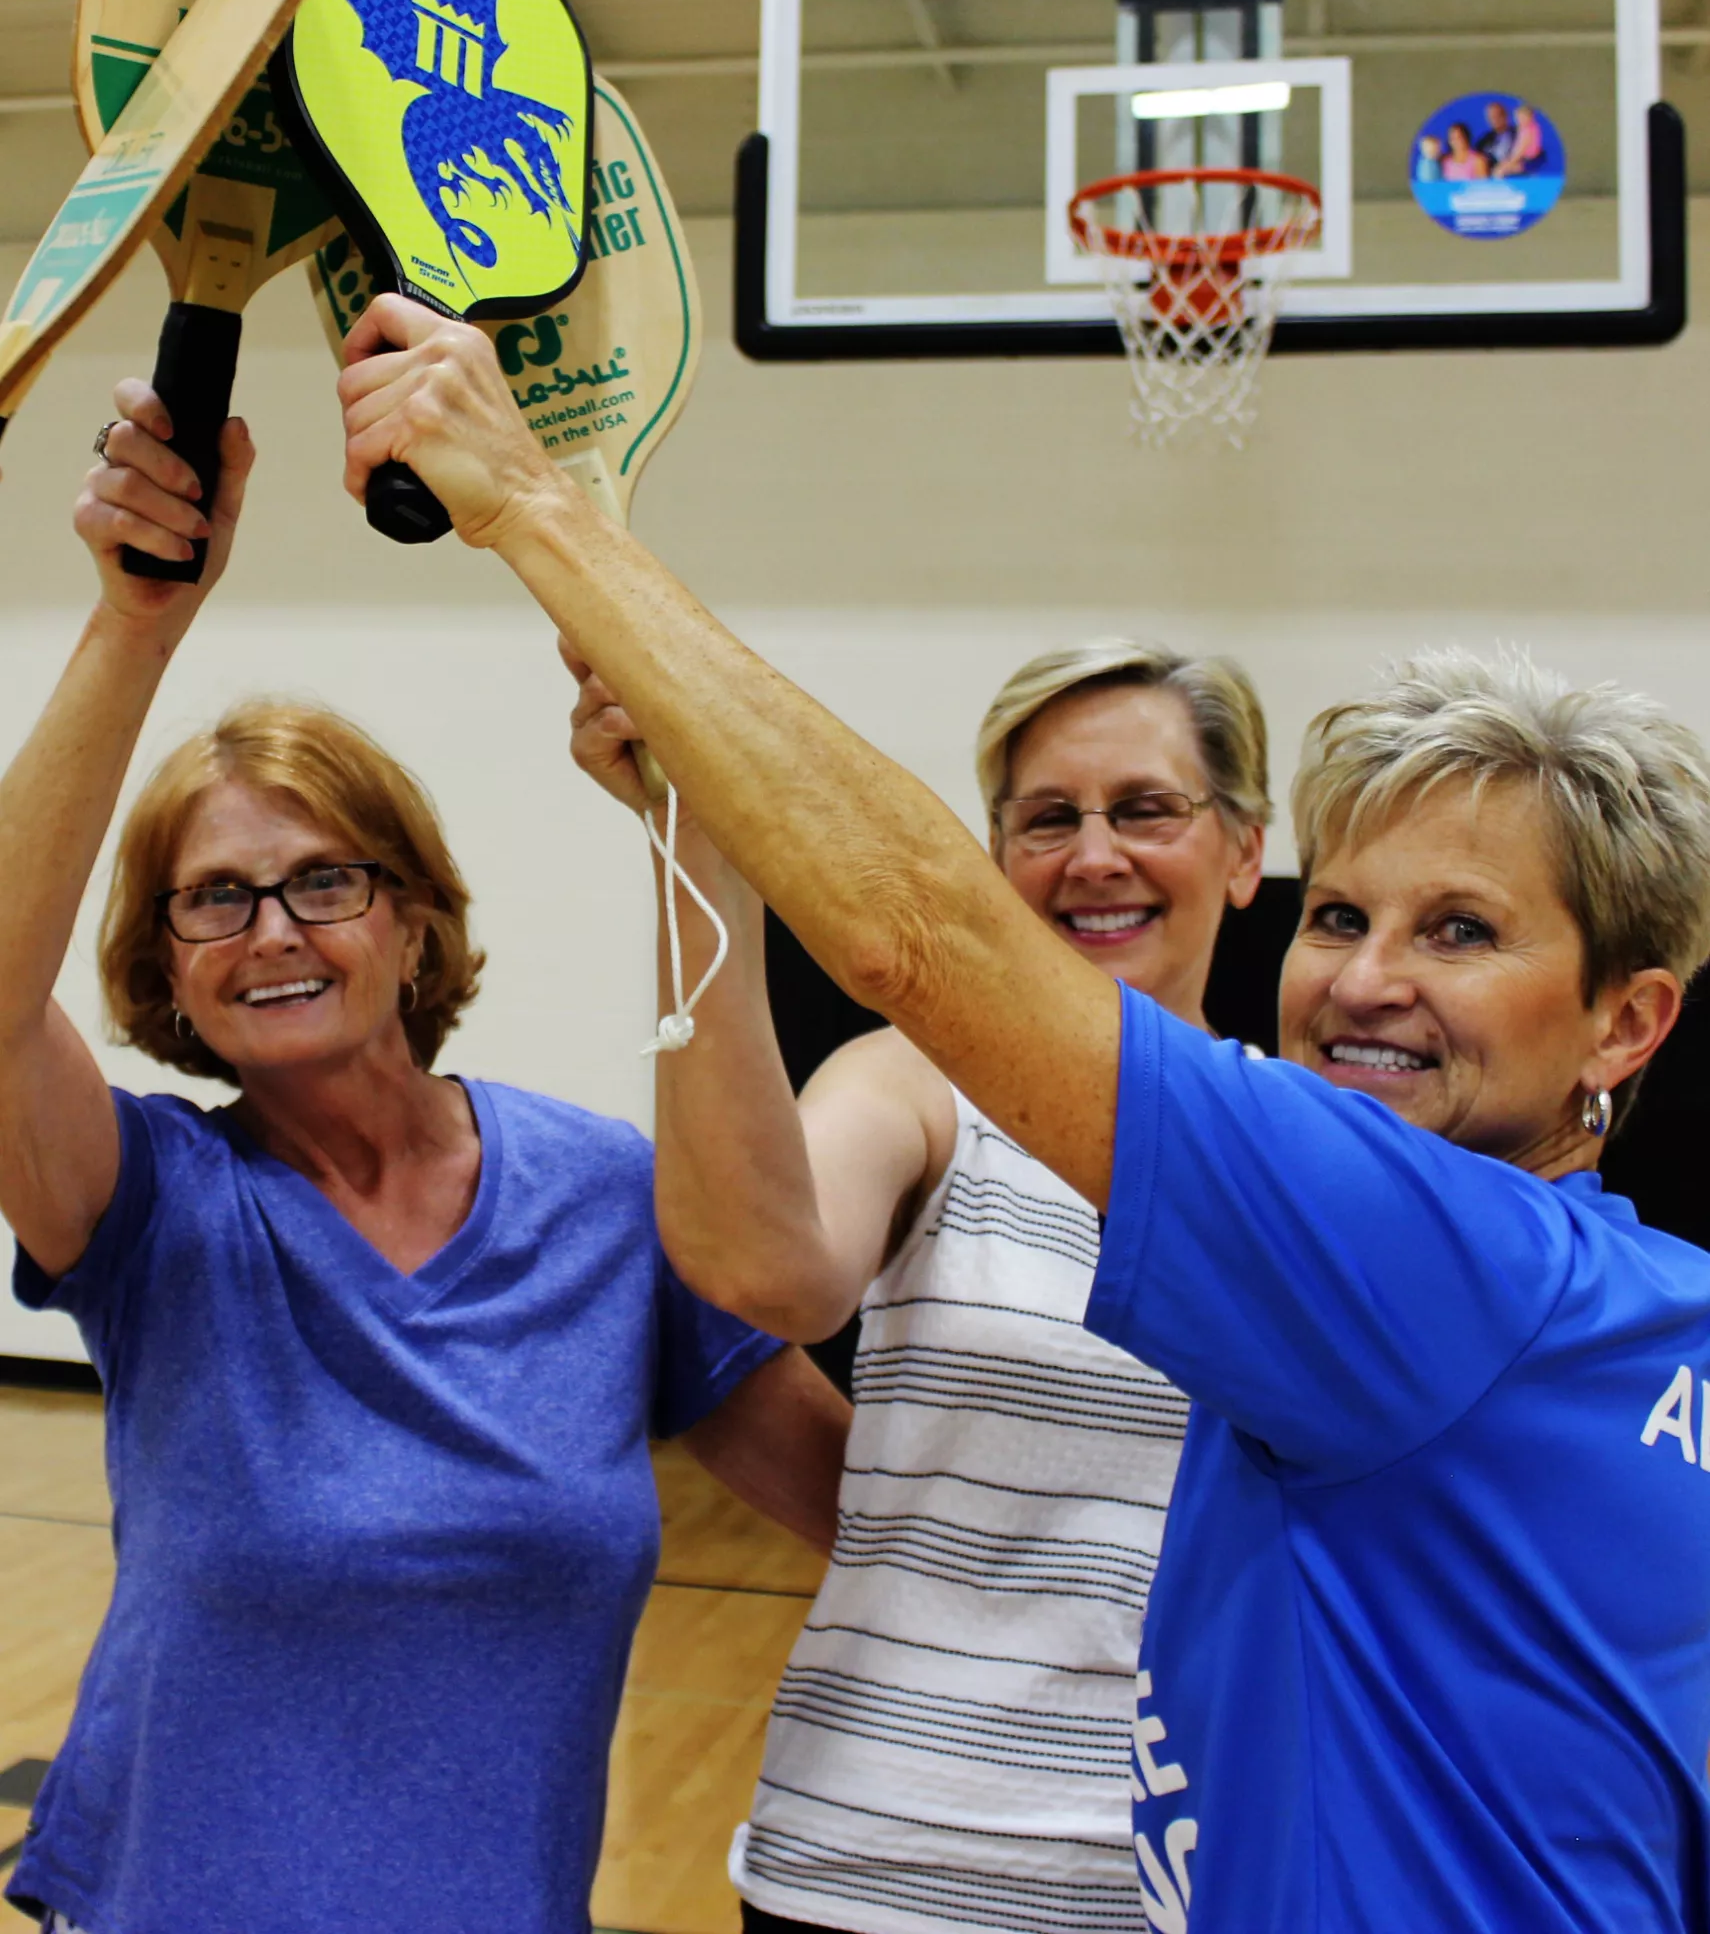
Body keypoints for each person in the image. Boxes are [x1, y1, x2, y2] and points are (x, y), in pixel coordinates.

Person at [336, 297, 1710, 1934]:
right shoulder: (1647, 1303)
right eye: (1340, 921)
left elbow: (908, 929)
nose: (1363, 979)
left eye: (1461, 933)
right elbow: (764, 1258)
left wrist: (533, 506)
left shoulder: (1395, 1236)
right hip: (939, 1857)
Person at [0, 390, 850, 1934]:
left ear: (410, 919)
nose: (269, 932)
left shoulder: (604, 1200)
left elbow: (868, 1509)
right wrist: (134, 627)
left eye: (323, 880)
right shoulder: (152, 1210)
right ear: (165, 966)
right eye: (214, 899)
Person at [570, 639, 1268, 1934]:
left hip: (1187, 1886)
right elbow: (766, 1266)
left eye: (1145, 809)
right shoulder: (915, 1088)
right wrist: (694, 848)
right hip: (869, 1873)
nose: (1093, 854)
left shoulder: (1301, 1147)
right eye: (1046, 818)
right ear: (997, 860)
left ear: (1241, 851)